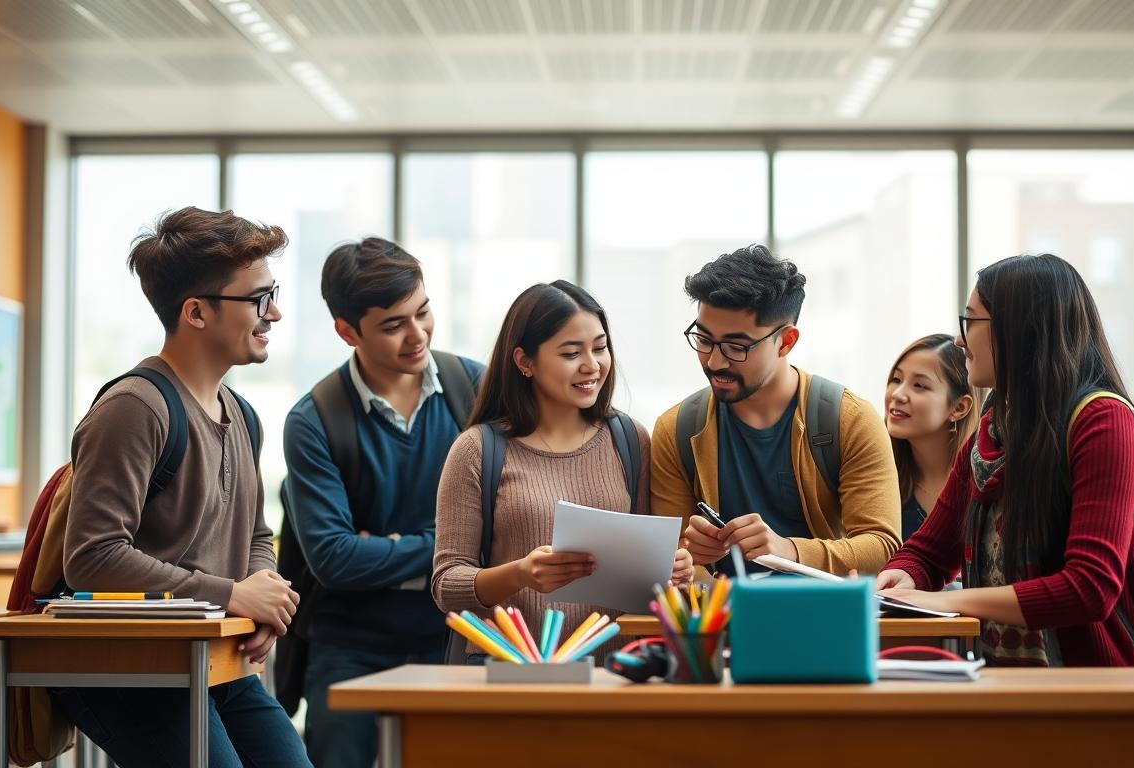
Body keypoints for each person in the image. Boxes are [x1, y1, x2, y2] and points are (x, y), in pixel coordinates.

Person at [57, 206, 308, 766]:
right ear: (195, 311)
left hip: (212, 659)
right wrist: (231, 595)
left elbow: (256, 533)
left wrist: (261, 592)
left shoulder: (242, 415)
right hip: (129, 668)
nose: (276, 313)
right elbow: (92, 558)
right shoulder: (134, 409)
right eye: (259, 299)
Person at [876, 253, 1134, 666]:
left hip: (1096, 686)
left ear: (1020, 329)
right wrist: (901, 577)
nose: (960, 340)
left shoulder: (1103, 421)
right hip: (1007, 681)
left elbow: (1089, 588)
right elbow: (929, 552)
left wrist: (942, 600)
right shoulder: (993, 428)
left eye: (971, 322)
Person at [282, 237, 483, 767]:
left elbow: (507, 524)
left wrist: (389, 548)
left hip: (458, 636)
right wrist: (451, 549)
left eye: (422, 312)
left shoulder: (476, 389)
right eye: (393, 325)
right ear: (347, 331)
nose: (417, 335)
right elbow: (334, 559)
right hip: (351, 645)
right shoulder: (313, 421)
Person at [432, 280, 692, 659]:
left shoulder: (629, 439)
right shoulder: (477, 450)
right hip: (516, 675)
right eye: (571, 352)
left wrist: (674, 570)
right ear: (524, 361)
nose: (592, 365)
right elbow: (446, 586)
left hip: (616, 676)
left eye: (600, 347)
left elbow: (647, 577)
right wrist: (520, 573)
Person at [652, 244, 901, 576]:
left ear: (786, 341)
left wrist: (789, 550)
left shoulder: (848, 419)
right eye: (704, 339)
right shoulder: (677, 429)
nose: (714, 361)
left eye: (736, 347)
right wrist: (690, 557)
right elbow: (672, 560)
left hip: (827, 620)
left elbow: (882, 546)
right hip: (724, 623)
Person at [884, 334, 979, 541]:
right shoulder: (879, 479)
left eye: (919, 385)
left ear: (959, 408)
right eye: (896, 379)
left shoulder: (984, 483)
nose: (897, 394)